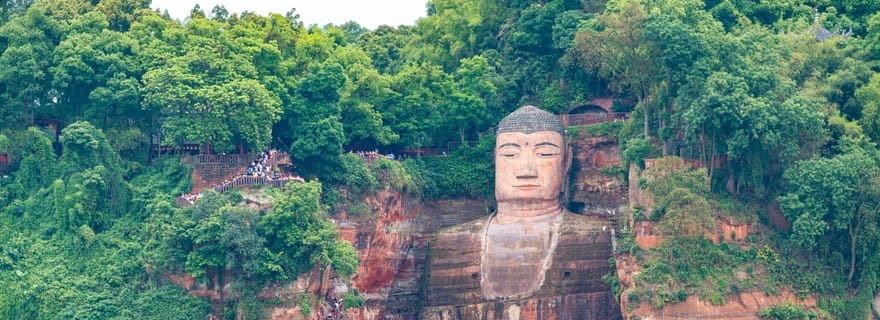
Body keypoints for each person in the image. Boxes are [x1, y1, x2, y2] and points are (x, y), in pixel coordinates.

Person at [421, 106, 621, 319]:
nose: (526, 171)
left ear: (566, 161)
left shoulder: (597, 237)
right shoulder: (449, 242)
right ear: (495, 159)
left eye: (545, 153)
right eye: (510, 154)